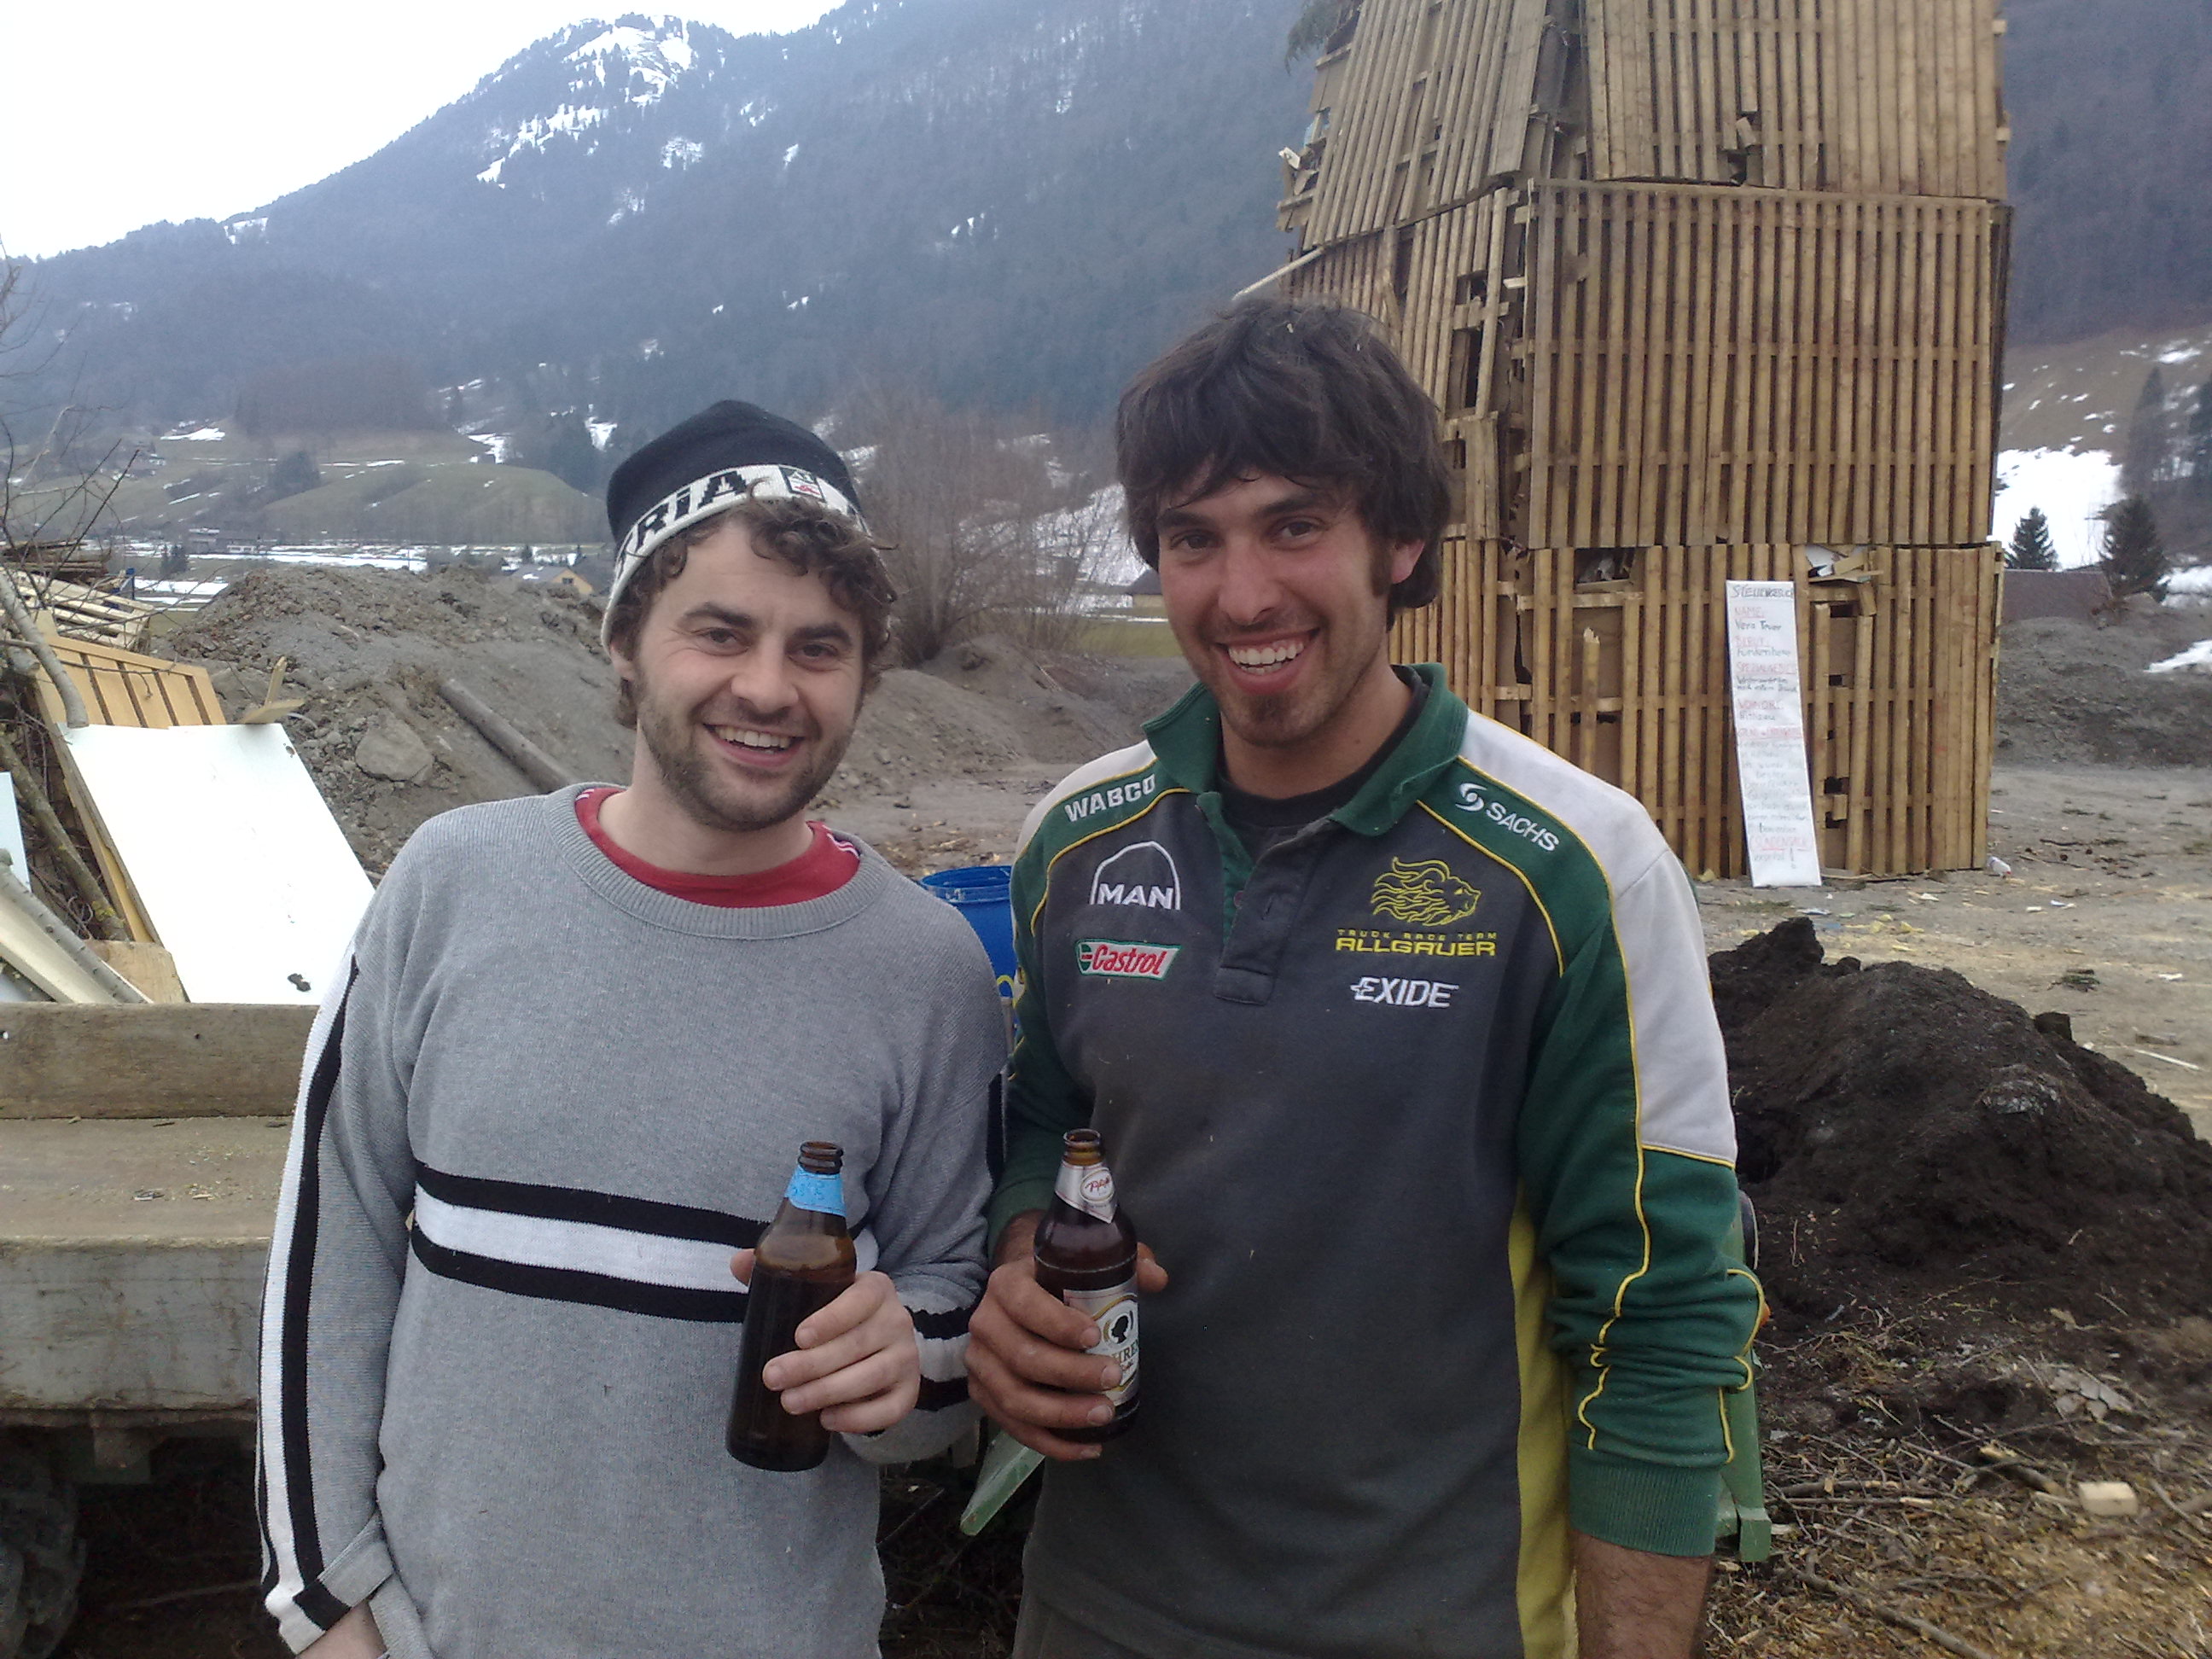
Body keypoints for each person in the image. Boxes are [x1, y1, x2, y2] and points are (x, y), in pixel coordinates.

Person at [966, 300, 1764, 1659]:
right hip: (1097, 1610)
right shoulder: (1077, 842)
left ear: (1399, 539)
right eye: (1193, 539)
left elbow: (1660, 1314)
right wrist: (1019, 1259)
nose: (1242, 597)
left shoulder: (1576, 869)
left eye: (1294, 526)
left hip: (1436, 1620)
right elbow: (1047, 1123)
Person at [258, 402, 1004, 1659]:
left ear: (865, 675)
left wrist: (906, 1365)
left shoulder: (926, 970)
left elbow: (948, 1333)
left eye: (819, 648)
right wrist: (327, 1605)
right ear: (622, 641)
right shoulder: (451, 887)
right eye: (721, 631)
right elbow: (327, 1270)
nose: (767, 687)